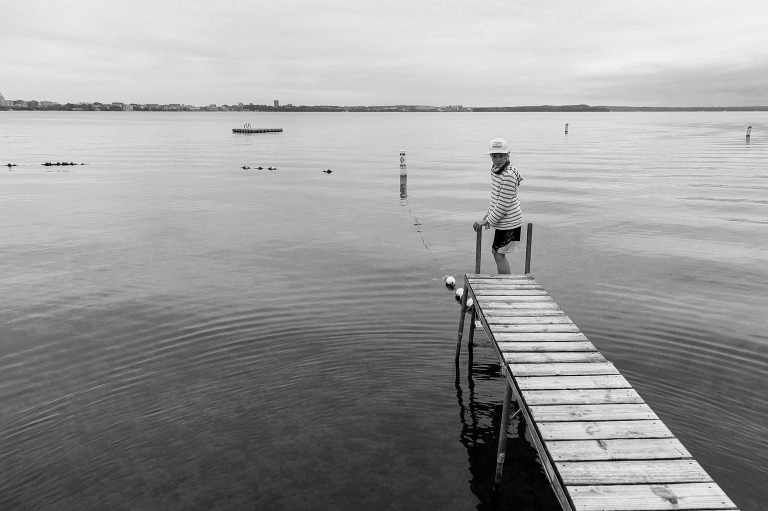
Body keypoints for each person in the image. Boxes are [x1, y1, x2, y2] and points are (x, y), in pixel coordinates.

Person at [472, 138, 523, 274]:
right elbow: (496, 197)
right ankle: (505, 283)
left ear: (508, 155)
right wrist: (488, 214)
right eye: (495, 156)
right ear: (490, 156)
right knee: (496, 252)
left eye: (501, 156)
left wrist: (486, 221)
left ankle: (505, 285)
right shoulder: (496, 170)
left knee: (499, 254)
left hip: (510, 222)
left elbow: (503, 205)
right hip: (503, 221)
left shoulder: (508, 175)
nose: (498, 159)